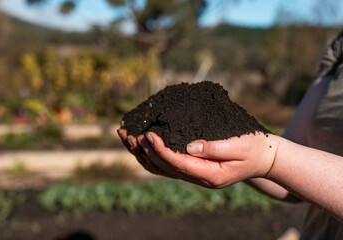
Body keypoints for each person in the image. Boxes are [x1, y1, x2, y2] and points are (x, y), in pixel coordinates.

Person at [118, 30, 343, 239]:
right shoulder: (339, 48)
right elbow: (295, 160)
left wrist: (271, 158)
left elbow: (277, 155)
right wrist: (225, 157)